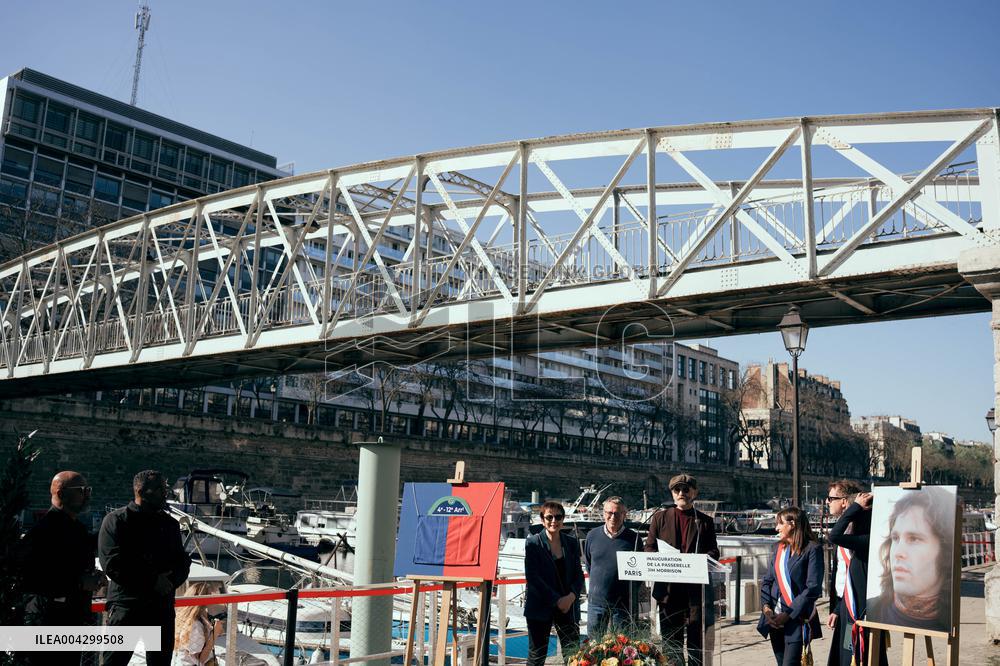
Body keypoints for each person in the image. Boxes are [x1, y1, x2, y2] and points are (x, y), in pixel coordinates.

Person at [99, 470, 191, 666]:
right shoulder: (116, 521)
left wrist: (169, 582)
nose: (165, 493)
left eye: (165, 488)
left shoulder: (170, 525)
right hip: (126, 608)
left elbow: (182, 562)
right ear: (141, 491)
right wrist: (154, 581)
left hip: (161, 610)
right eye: (160, 489)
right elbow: (112, 564)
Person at [19, 471, 107, 666]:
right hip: (47, 621)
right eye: (81, 491)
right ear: (60, 493)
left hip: (70, 618)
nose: (87, 495)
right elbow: (29, 578)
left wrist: (94, 576)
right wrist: (79, 581)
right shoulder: (43, 531)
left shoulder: (77, 529)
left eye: (88, 490)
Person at [644, 474, 719, 666]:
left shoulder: (704, 521)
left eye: (686, 489)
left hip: (695, 592)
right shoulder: (659, 517)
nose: (681, 493)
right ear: (672, 493)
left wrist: (700, 559)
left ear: (694, 492)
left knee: (696, 641)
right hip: (668, 591)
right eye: (677, 490)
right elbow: (649, 548)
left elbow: (714, 551)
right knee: (670, 642)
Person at [866, 487, 954, 632]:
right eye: (895, 538)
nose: (898, 553)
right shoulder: (871, 611)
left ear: (945, 551)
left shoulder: (947, 621)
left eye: (914, 539)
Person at [758, 507, 824, 666]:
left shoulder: (812, 549)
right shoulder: (777, 548)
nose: (776, 528)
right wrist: (766, 608)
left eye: (780, 524)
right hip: (774, 619)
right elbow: (768, 581)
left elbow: (813, 588)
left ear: (793, 524)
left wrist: (788, 614)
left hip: (797, 619)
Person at [524, 501, 584, 666]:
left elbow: (578, 575)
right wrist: (557, 600)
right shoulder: (533, 543)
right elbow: (533, 577)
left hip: (568, 606)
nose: (554, 521)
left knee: (573, 655)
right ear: (542, 519)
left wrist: (571, 597)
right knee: (537, 656)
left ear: (563, 519)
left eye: (558, 517)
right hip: (541, 606)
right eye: (549, 517)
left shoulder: (571, 543)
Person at [584, 496, 639, 638]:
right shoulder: (592, 535)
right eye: (609, 513)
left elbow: (639, 571)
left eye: (617, 513)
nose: (612, 516)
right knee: (593, 647)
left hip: (622, 605)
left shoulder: (634, 538)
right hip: (596, 602)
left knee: (623, 651)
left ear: (624, 515)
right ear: (603, 514)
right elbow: (589, 564)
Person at [824, 479, 863, 666]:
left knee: (851, 654)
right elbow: (841, 574)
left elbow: (834, 536)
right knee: (842, 655)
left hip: (857, 607)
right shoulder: (846, 526)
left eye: (832, 498)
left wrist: (854, 508)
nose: (827, 502)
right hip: (844, 605)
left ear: (845, 502)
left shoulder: (859, 530)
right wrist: (837, 608)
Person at [172, 581, 225, 666]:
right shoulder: (195, 624)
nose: (213, 597)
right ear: (202, 599)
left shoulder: (198, 617)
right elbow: (200, 658)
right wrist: (215, 633)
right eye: (209, 594)